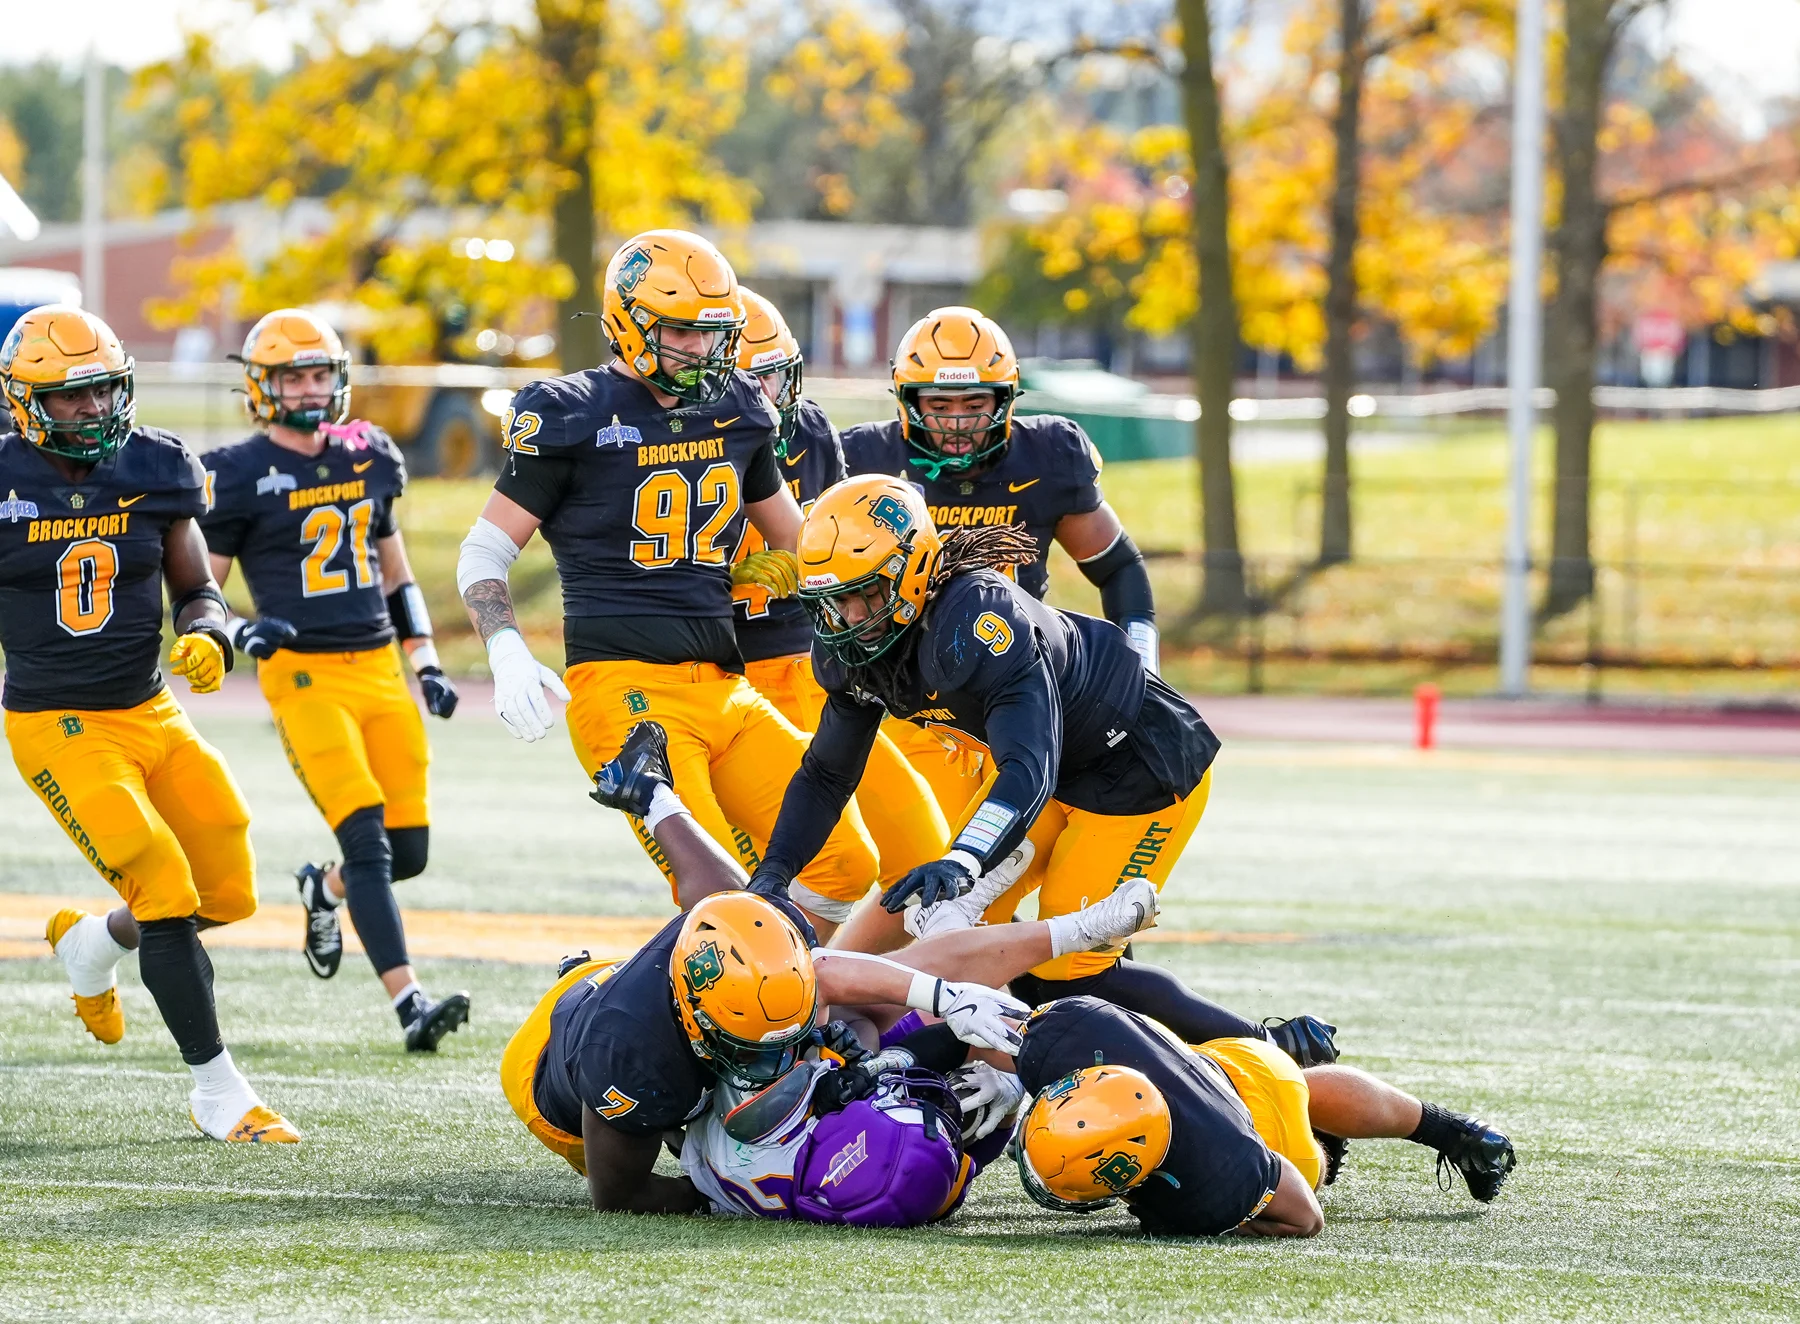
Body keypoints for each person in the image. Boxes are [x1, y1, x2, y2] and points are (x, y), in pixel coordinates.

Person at [745, 475, 1336, 1070]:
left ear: (911, 571)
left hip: (1135, 769)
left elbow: (1028, 765)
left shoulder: (974, 623)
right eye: (831, 599)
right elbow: (826, 773)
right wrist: (775, 874)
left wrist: (963, 859)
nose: (845, 618)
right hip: (1048, 773)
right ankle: (926, 1056)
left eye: (862, 594)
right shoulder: (855, 648)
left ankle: (1261, 1049)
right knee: (938, 920)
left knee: (1065, 972)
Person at [499, 720, 1163, 1214]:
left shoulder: (746, 948)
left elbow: (744, 912)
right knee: (849, 1040)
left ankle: (653, 794)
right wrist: (713, 1199)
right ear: (703, 1030)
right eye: (773, 1045)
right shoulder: (635, 1067)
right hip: (557, 1073)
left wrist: (945, 997)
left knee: (775, 931)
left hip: (679, 995)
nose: (798, 1050)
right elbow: (623, 1199)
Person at [455, 229, 876, 938]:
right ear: (627, 320)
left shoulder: (739, 405)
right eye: (682, 331)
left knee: (844, 864)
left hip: (726, 684)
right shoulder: (571, 412)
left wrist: (862, 581)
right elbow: (482, 552)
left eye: (713, 334)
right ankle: (748, 1016)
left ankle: (770, 1003)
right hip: (626, 692)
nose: (701, 350)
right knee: (724, 901)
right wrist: (505, 649)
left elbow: (798, 541)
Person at [1, 305, 296, 1142]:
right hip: (58, 722)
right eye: (72, 398)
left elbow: (197, 586)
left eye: (105, 392)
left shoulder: (158, 465)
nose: (94, 411)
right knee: (164, 886)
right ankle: (220, 1093)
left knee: (226, 890)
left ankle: (91, 944)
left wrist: (208, 632)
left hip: (149, 709)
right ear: (25, 401)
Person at [200, 308, 468, 1052]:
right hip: (304, 675)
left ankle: (325, 888)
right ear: (263, 387)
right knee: (370, 841)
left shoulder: (368, 453)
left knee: (406, 852)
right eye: (296, 377)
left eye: (322, 373)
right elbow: (203, 593)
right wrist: (242, 630)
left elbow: (396, 570)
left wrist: (427, 661)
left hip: (380, 668)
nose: (313, 389)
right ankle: (410, 1002)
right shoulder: (237, 472)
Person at [840, 307, 1159, 820]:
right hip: (909, 699)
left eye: (975, 402)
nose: (959, 422)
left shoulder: (1048, 455)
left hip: (1013, 683)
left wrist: (1142, 667)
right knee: (935, 850)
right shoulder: (864, 459)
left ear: (1006, 398)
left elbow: (1117, 567)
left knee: (1000, 847)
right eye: (940, 404)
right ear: (907, 401)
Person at [729, 288, 952, 922]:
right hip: (732, 683)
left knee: (923, 852)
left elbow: (848, 540)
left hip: (815, 665)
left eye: (773, 376)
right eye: (749, 381)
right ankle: (757, 1002)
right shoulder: (680, 443)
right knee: (792, 867)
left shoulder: (810, 432)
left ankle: (872, 1002)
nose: (766, 397)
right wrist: (723, 579)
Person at [1002, 996, 1518, 1237]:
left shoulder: (1209, 1188)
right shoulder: (1087, 1032)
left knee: (1303, 1147)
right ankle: (1452, 1130)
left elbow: (1305, 1217)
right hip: (1247, 1064)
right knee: (1298, 1084)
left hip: (1281, 1154)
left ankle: (1326, 1146)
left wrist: (1237, 1222)